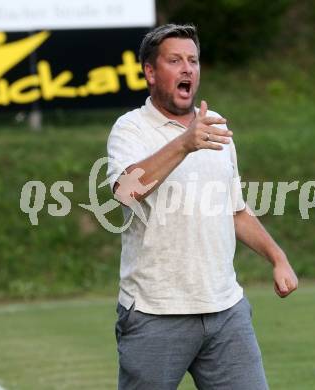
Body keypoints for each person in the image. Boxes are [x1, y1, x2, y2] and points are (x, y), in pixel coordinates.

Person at [107, 23, 298, 390]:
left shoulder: (216, 128)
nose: (187, 69)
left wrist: (278, 257)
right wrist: (184, 143)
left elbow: (236, 211)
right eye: (175, 60)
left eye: (193, 61)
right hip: (155, 312)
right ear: (150, 71)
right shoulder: (129, 129)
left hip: (225, 311)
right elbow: (126, 192)